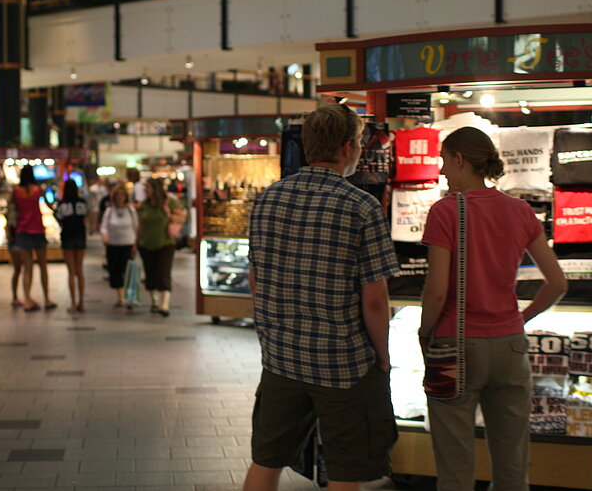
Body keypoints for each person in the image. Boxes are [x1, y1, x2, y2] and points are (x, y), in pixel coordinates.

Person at [242, 104, 400, 491]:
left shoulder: (267, 199)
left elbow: (256, 279)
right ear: (347, 147)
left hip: (281, 358)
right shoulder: (361, 206)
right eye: (361, 143)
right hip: (343, 363)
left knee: (266, 462)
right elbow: (375, 301)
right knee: (345, 472)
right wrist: (382, 356)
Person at [418, 127, 567, 491]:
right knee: (513, 461)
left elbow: (436, 291)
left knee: (455, 466)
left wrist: (425, 333)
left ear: (459, 159)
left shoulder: (445, 211)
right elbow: (558, 283)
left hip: (455, 347)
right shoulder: (520, 211)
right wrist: (522, 318)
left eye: (443, 162)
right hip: (510, 346)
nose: (442, 172)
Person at [9, 165, 57, 312]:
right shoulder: (38, 190)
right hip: (37, 230)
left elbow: (11, 208)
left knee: (27, 268)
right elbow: (50, 205)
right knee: (43, 265)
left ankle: (27, 299)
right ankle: (47, 298)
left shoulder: (16, 191)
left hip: (22, 231)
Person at [137, 177, 183, 317]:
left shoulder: (170, 202)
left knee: (163, 272)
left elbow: (181, 219)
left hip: (165, 243)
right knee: (150, 273)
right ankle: (154, 302)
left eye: (148, 187)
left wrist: (168, 213)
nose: (145, 189)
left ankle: (165, 304)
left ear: (155, 189)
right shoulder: (144, 205)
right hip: (146, 244)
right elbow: (140, 225)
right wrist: (136, 242)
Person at [100, 184, 138, 308]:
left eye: (122, 194)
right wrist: (105, 237)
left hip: (128, 243)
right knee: (115, 271)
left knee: (126, 271)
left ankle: (128, 296)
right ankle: (121, 296)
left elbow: (137, 227)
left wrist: (136, 244)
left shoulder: (131, 210)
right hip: (113, 244)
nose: (120, 197)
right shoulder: (110, 210)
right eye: (118, 195)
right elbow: (104, 226)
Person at [55, 178, 89, 312]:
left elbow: (59, 220)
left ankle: (73, 303)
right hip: (80, 236)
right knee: (80, 271)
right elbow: (86, 218)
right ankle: (81, 302)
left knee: (71, 271)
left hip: (67, 237)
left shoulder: (62, 204)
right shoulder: (82, 203)